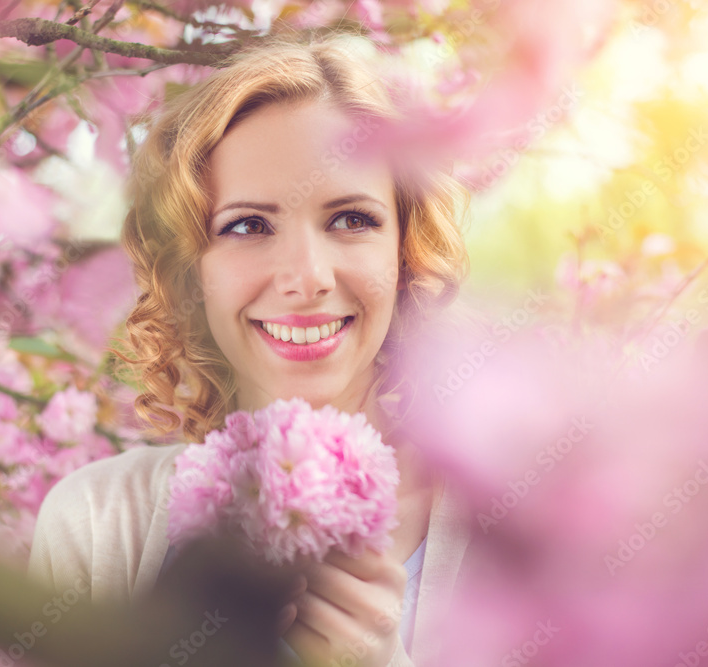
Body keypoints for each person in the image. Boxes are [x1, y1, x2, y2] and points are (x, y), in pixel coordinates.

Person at [29, 32, 472, 667]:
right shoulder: (98, 525)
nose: (306, 276)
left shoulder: (523, 534)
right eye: (247, 226)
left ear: (404, 253)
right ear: (189, 272)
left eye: (351, 219)